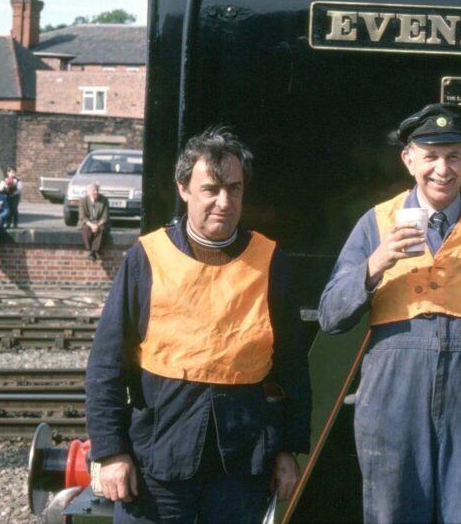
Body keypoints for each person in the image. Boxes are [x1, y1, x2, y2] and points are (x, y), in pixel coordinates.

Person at [319, 102, 461, 524]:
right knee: (392, 513)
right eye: (431, 156)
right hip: (395, 389)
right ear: (409, 159)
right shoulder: (376, 222)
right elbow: (331, 316)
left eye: (454, 156)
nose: (442, 169)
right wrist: (375, 263)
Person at [85, 128, 312, 524]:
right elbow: (106, 363)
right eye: (211, 189)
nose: (224, 202)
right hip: (157, 461)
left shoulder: (270, 260)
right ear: (184, 189)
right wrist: (110, 452)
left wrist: (287, 449)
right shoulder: (147, 257)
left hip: (243, 467)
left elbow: (291, 363)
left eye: (235, 189)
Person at [79, 182, 110, 261]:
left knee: (102, 229)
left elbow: (105, 216)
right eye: (94, 191)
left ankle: (94, 251)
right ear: (89, 191)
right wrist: (91, 225)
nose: (96, 192)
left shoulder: (104, 200)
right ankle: (89, 250)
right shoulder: (83, 201)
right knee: (86, 230)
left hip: (99, 222)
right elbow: (82, 216)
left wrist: (97, 225)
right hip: (88, 222)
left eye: (97, 190)